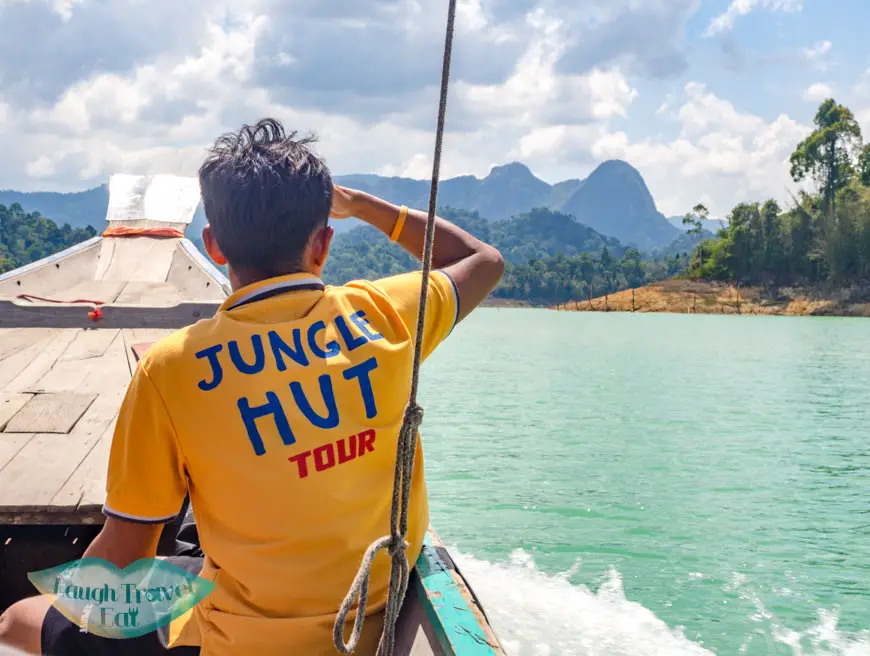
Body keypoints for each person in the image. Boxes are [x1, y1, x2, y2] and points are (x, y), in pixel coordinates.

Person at [0, 119, 505, 656]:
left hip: (237, 639)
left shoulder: (170, 369)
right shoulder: (384, 315)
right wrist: (363, 206)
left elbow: (124, 557)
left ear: (214, 246)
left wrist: (65, 605)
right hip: (368, 628)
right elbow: (483, 261)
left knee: (16, 620)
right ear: (324, 244)